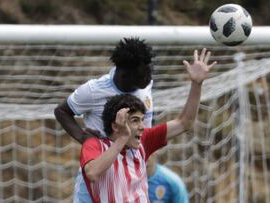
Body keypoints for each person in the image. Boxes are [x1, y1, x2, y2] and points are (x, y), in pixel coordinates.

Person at [80, 48, 217, 202]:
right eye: (135, 120)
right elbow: (92, 173)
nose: (142, 126)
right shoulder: (94, 145)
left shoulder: (144, 141)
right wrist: (122, 139)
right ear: (116, 123)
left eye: (142, 119)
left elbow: (185, 122)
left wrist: (196, 84)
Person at [54, 37, 155, 203]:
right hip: (97, 181)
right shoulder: (94, 90)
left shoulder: (145, 84)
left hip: (131, 180)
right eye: (142, 75)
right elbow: (61, 111)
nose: (148, 77)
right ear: (123, 74)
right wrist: (82, 137)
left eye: (149, 71)